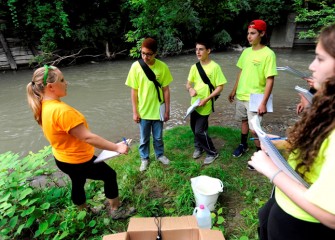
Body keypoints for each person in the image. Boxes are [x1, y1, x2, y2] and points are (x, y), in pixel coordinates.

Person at [249, 23, 335, 240]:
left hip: (302, 224)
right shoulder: (328, 107)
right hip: (285, 203)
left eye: (321, 59)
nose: (311, 66)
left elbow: (331, 217)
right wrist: (278, 143)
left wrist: (272, 171)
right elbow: (319, 151)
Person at [26, 65, 135, 219]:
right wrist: (117, 147)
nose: (66, 83)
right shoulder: (62, 111)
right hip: (78, 160)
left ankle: (83, 212)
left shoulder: (43, 106)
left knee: (77, 181)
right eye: (62, 80)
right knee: (110, 175)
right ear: (50, 87)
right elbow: (88, 137)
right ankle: (115, 209)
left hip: (62, 159)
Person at [228, 19, 277, 169]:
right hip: (241, 96)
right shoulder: (246, 52)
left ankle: (260, 155)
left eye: (253, 33)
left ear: (262, 34)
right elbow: (241, 72)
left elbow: (270, 80)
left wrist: (263, 102)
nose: (249, 36)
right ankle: (243, 145)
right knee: (243, 122)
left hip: (255, 98)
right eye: (248, 33)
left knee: (255, 129)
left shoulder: (269, 54)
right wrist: (234, 90)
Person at [125, 37, 173, 172]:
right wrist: (135, 112)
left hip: (158, 110)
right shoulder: (136, 66)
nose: (145, 57)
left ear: (155, 53)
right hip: (143, 111)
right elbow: (134, 91)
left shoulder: (162, 67)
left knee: (158, 137)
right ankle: (144, 159)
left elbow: (166, 90)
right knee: (144, 138)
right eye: (143, 53)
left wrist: (167, 110)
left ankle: (160, 155)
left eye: (149, 54)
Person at [186, 39, 227, 164]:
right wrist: (190, 89)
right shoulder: (194, 67)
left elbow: (220, 86)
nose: (198, 52)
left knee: (200, 130)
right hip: (195, 103)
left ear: (208, 51)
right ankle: (199, 148)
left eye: (201, 49)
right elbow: (188, 83)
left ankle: (212, 152)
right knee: (194, 127)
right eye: (196, 49)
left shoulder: (215, 67)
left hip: (206, 103)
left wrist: (207, 99)